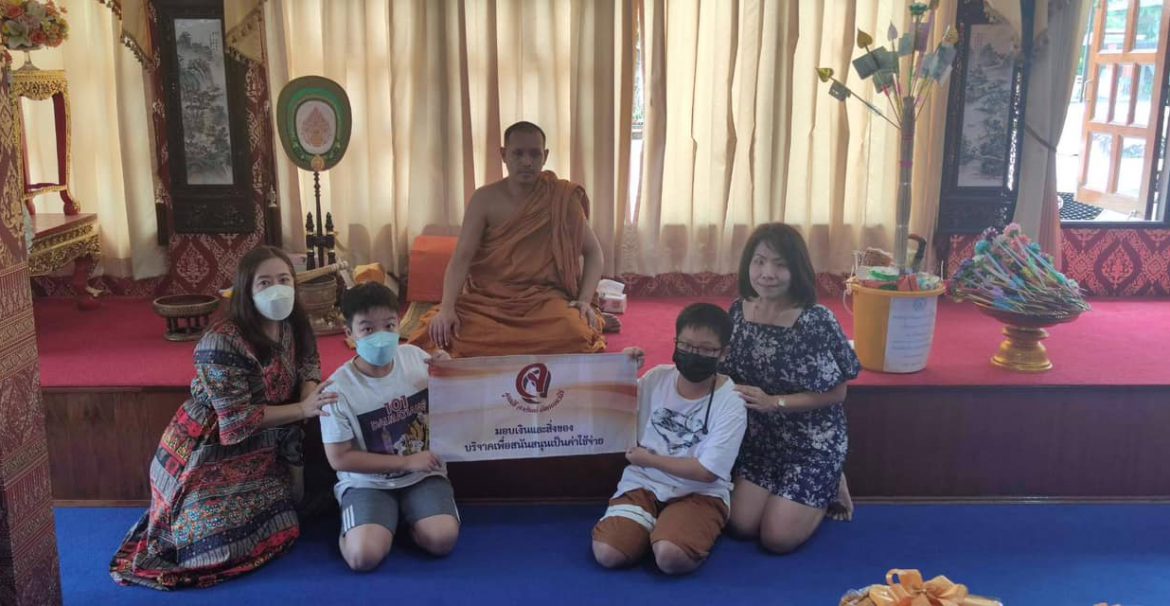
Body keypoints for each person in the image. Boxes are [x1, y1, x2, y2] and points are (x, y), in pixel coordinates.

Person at [110, 246, 337, 589]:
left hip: (271, 442)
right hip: (210, 449)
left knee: (296, 513)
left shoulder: (293, 324)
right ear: (246, 290)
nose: (277, 289)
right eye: (265, 283)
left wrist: (309, 394)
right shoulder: (221, 342)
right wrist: (303, 410)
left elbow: (309, 362)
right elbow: (237, 421)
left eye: (284, 280)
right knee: (217, 547)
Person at [718, 223, 861, 554]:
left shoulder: (815, 320)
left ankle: (830, 481)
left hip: (811, 441)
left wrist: (774, 402)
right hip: (759, 440)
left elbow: (837, 393)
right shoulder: (738, 311)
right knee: (740, 526)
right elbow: (722, 369)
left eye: (780, 264)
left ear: (796, 269)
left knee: (777, 539)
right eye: (759, 261)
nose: (767, 273)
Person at [408, 121, 606, 357]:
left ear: (545, 156)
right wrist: (448, 308)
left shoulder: (561, 197)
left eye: (535, 154)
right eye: (518, 153)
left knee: (576, 333)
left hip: (543, 301)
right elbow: (462, 257)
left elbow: (594, 253)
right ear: (504, 155)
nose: (527, 161)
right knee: (439, 331)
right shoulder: (484, 199)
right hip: (488, 301)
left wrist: (584, 301)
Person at [592, 303, 747, 575]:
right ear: (675, 342)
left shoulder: (731, 401)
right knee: (608, 553)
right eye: (686, 345)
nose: (694, 354)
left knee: (670, 557)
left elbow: (707, 472)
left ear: (724, 353)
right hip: (644, 483)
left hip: (699, 492)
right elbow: (612, 411)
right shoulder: (656, 378)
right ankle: (654, 525)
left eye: (706, 349)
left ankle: (674, 528)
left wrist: (650, 460)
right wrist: (622, 371)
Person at [321, 282, 460, 571]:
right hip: (368, 482)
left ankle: (403, 519)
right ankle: (367, 523)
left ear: (399, 324)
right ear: (349, 333)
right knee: (363, 557)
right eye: (368, 329)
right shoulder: (336, 389)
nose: (381, 336)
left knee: (442, 539)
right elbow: (339, 458)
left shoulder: (416, 358)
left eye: (389, 325)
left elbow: (452, 405)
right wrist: (406, 461)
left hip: (422, 474)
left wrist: (448, 373)